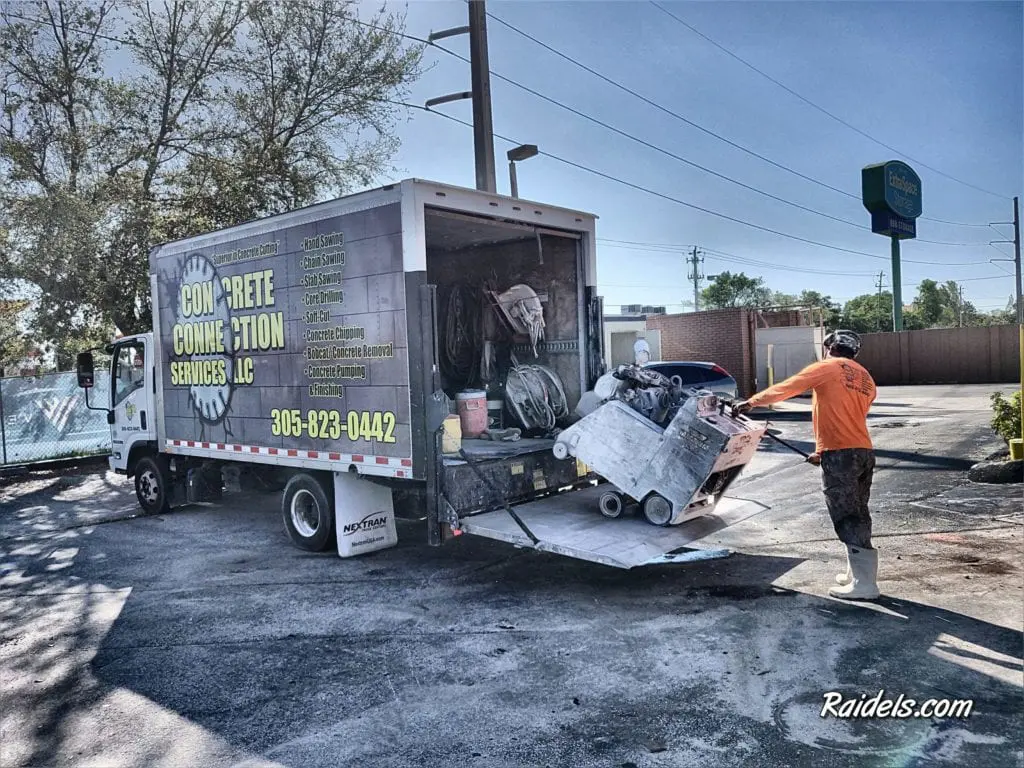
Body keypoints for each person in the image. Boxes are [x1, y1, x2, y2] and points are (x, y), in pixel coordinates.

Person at [733, 329, 879, 600]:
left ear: (830, 347)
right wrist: (822, 451)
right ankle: (857, 574)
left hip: (842, 455)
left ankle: (865, 584)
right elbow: (845, 415)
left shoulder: (827, 367)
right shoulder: (866, 379)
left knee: (846, 514)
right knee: (859, 510)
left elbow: (789, 387)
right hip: (863, 451)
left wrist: (751, 402)